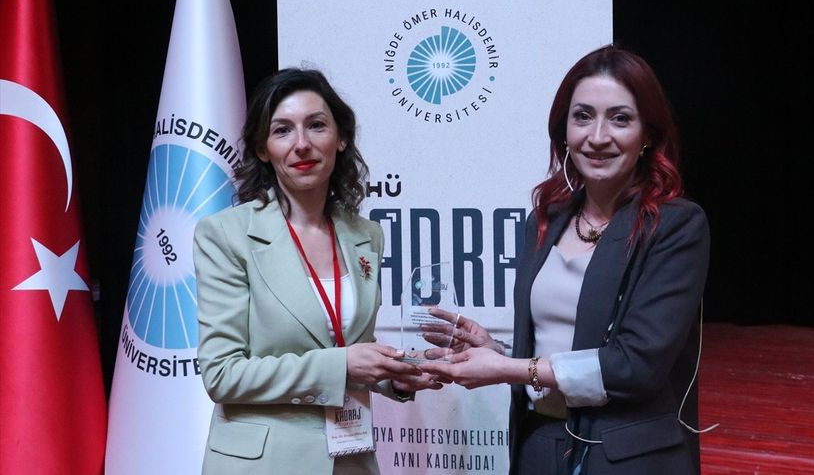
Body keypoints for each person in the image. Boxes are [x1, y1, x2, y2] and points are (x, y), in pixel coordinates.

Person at [422, 45, 710, 474]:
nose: (598, 136)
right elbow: (563, 344)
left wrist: (507, 368)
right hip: (540, 443)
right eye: (583, 117)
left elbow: (635, 366)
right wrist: (494, 350)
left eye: (620, 118)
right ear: (564, 131)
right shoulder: (546, 220)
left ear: (647, 134)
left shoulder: (674, 226)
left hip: (626, 458)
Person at [193, 68, 439, 475]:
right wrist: (341, 366)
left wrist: (394, 374)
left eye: (317, 125)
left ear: (341, 138)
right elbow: (223, 374)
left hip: (351, 459)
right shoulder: (225, 235)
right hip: (263, 465)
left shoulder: (366, 236)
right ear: (263, 149)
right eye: (282, 130)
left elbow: (348, 342)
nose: (302, 144)